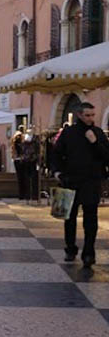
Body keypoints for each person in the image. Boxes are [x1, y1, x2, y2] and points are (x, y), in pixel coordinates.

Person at [52, 102, 109, 268]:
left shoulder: (98, 133)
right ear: (79, 115)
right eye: (87, 115)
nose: (91, 118)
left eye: (93, 115)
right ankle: (70, 249)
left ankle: (89, 253)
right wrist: (57, 172)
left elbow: (107, 157)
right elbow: (55, 154)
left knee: (91, 220)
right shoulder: (68, 133)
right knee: (69, 218)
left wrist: (94, 142)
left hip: (92, 182)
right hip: (70, 180)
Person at [11, 125, 27, 200]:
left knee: (20, 177)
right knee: (23, 177)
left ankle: (21, 195)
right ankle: (23, 194)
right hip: (21, 160)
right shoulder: (21, 138)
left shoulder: (15, 138)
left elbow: (13, 150)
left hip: (16, 160)